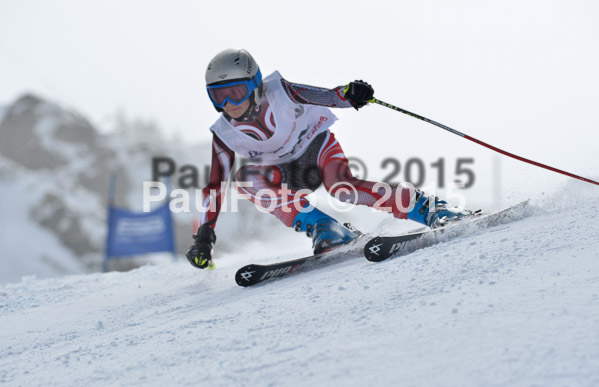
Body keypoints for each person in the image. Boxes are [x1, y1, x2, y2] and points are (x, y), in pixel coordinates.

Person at [186, 48, 470, 269]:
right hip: (285, 174)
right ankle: (327, 229)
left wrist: (352, 94)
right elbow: (214, 186)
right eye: (219, 96)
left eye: (235, 93)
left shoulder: (281, 92)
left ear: (255, 84)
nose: (229, 104)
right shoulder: (223, 133)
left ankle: (429, 209)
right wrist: (204, 235)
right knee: (245, 179)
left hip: (317, 148)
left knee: (341, 188)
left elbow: (327, 96)